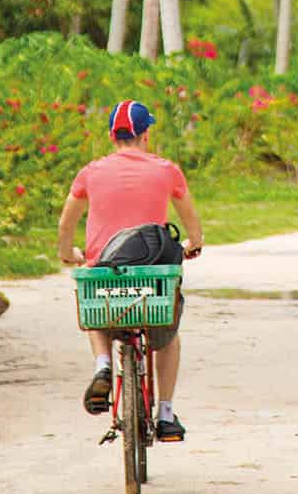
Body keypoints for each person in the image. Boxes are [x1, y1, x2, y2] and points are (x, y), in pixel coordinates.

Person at [58, 99, 203, 441]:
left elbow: (67, 224)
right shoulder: (167, 169)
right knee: (167, 333)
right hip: (153, 274)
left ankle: (103, 366)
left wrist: (69, 253)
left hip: (106, 274)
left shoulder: (90, 172)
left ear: (113, 136)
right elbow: (189, 216)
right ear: (146, 135)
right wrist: (194, 242)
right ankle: (166, 413)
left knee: (93, 298)